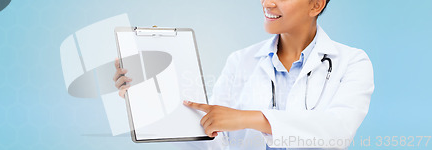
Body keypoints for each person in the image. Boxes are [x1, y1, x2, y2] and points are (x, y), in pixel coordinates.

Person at [113, 0, 374, 149]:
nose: (267, 3)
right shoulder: (240, 61)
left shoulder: (351, 62)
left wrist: (250, 118)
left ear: (315, 4)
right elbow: (212, 137)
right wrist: (146, 102)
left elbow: (338, 131)